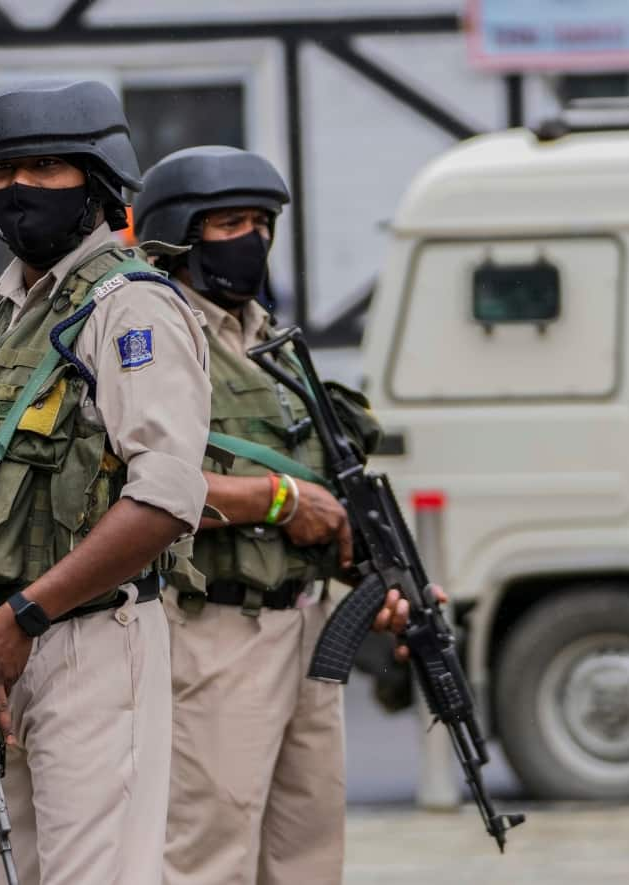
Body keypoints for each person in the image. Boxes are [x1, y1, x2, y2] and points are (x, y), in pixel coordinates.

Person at [0, 80, 213, 885]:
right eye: (0, 171)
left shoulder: (130, 311)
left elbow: (163, 498)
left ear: (96, 181)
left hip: (84, 640)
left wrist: (25, 613)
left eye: (45, 166)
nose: (18, 189)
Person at [133, 145, 425, 885]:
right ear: (180, 236)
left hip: (307, 623)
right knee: (207, 851)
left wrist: (380, 576)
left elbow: (334, 475)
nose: (250, 239)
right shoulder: (157, 337)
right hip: (214, 629)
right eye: (229, 222)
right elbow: (135, 485)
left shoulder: (274, 341)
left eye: (261, 223)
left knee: (309, 852)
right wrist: (280, 500)